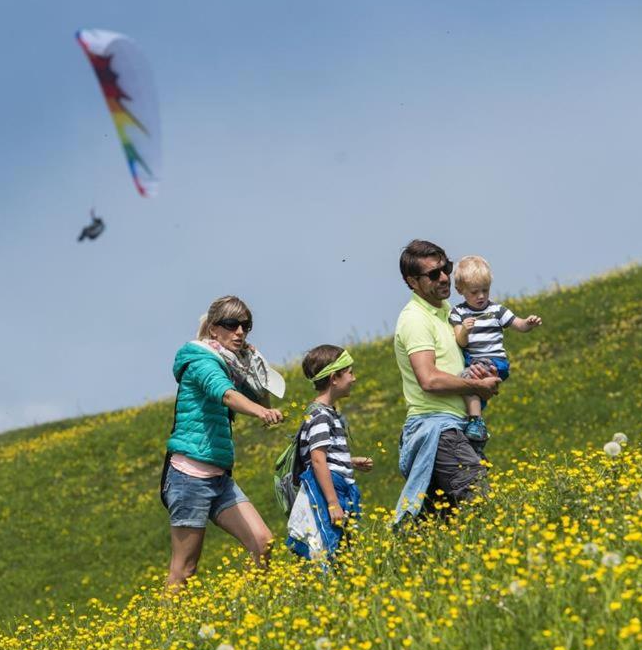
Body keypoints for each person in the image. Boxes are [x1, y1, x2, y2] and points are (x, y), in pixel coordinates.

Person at [162, 295, 284, 587]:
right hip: (188, 476)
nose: (240, 332)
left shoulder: (231, 365)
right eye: (231, 325)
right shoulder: (201, 361)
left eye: (246, 326)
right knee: (185, 569)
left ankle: (251, 612)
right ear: (214, 329)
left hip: (219, 477)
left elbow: (259, 395)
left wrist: (256, 373)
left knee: (263, 543)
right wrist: (261, 412)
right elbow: (225, 394)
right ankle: (165, 629)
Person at [392, 240, 502, 525]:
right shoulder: (415, 319)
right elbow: (428, 379)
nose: (444, 278)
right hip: (437, 429)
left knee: (439, 523)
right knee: (480, 499)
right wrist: (476, 387)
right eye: (433, 274)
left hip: (454, 426)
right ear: (412, 282)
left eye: (446, 269)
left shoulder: (448, 311)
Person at [285, 345, 373, 560]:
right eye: (350, 372)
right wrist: (333, 503)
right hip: (330, 489)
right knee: (328, 547)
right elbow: (317, 460)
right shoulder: (321, 416)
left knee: (343, 549)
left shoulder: (327, 413)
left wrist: (349, 462)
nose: (354, 378)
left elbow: (324, 456)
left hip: (336, 484)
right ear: (334, 378)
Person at [449, 255, 542, 441]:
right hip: (473, 360)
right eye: (474, 292)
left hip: (494, 361)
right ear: (460, 290)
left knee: (466, 381)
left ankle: (476, 422)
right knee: (472, 390)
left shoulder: (497, 310)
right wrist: (465, 331)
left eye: (485, 290)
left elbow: (519, 325)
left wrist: (528, 323)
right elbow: (461, 342)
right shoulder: (458, 312)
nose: (481, 296)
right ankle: (474, 429)